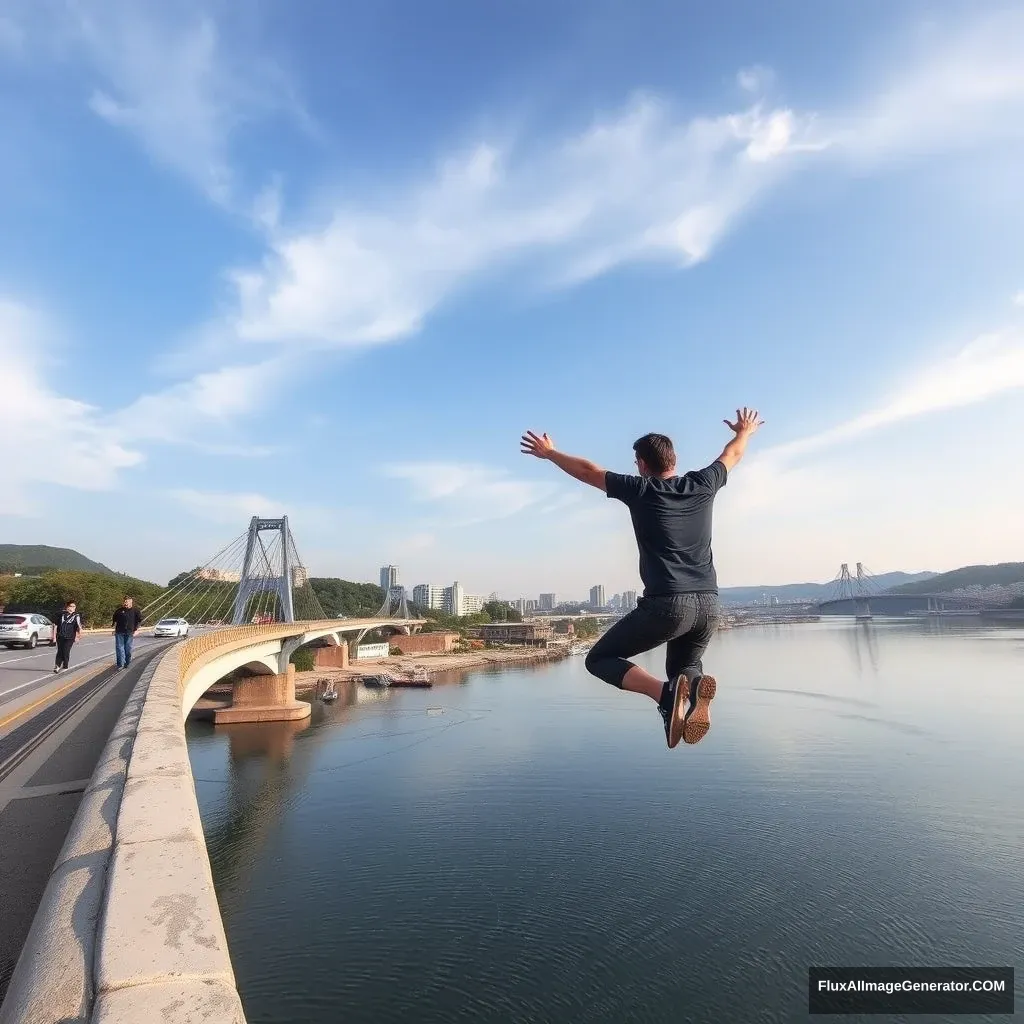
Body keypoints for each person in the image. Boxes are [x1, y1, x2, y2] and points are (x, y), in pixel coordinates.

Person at [520, 407, 764, 749]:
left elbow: (590, 472)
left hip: (668, 604)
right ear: (674, 460)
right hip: (708, 603)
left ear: (642, 464)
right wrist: (745, 432)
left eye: (637, 463)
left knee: (598, 660)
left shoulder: (641, 490)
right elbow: (732, 454)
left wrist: (549, 453)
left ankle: (665, 696)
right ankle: (693, 689)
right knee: (688, 665)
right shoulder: (703, 483)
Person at [112, 596, 143, 669]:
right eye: (124, 602)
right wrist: (114, 630)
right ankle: (120, 664)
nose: (125, 603)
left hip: (130, 632)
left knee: (128, 649)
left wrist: (137, 630)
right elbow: (115, 621)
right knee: (120, 648)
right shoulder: (119, 611)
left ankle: (127, 662)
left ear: (131, 602)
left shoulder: (136, 611)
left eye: (127, 602)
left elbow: (140, 621)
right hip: (119, 632)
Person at [54, 600, 83, 673]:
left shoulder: (76, 616)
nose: (73, 608)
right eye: (71, 606)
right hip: (60, 636)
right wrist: (54, 636)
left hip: (70, 637)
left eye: (74, 606)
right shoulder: (61, 615)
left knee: (66, 650)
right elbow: (55, 625)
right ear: (67, 607)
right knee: (60, 651)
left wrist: (78, 637)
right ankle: (57, 666)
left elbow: (79, 627)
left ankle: (65, 665)